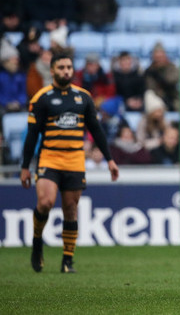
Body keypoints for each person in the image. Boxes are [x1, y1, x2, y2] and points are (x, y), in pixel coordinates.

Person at [20, 52, 119, 273]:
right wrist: (25, 166)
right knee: (45, 203)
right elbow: (32, 135)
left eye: (69, 67)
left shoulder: (83, 98)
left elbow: (96, 130)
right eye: (61, 67)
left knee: (71, 209)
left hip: (75, 159)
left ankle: (67, 260)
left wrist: (110, 159)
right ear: (53, 70)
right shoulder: (41, 98)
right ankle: (37, 243)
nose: (66, 71)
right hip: (50, 157)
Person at [144, 42, 180, 111]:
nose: (159, 59)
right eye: (156, 57)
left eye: (160, 57)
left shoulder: (172, 67)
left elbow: (171, 81)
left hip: (172, 97)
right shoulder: (149, 71)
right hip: (157, 98)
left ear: (165, 56)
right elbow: (150, 87)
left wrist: (160, 73)